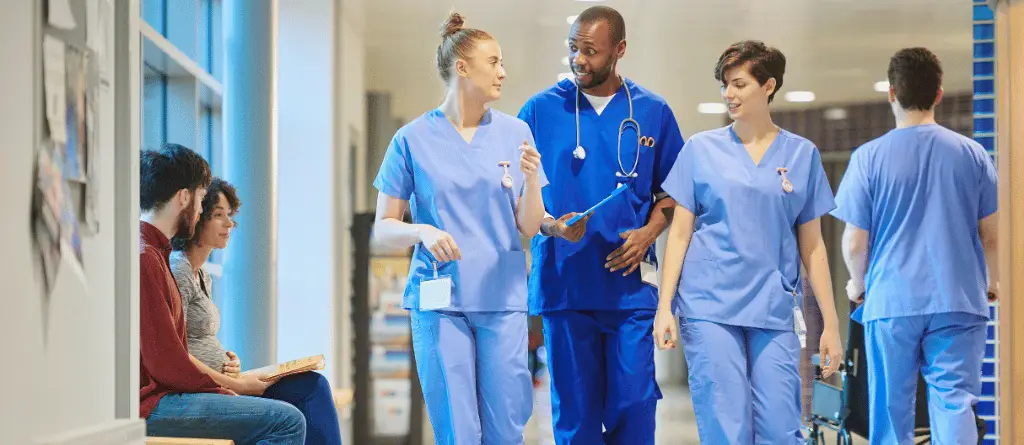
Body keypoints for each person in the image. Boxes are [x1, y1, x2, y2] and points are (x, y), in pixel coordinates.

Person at [653, 40, 844, 445]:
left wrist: (830, 323)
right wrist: (664, 306)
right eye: (725, 84)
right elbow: (680, 234)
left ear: (768, 86)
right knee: (727, 426)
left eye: (739, 84)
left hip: (772, 309)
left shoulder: (801, 154)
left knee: (780, 427)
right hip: (709, 307)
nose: (729, 93)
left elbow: (813, 247)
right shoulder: (700, 150)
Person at [370, 12, 546, 445]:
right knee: (458, 429)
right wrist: (422, 233)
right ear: (462, 68)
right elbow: (383, 228)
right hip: (439, 300)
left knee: (506, 425)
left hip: (501, 299)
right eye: (494, 61)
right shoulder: (411, 139)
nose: (503, 72)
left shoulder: (516, 132)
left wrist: (530, 179)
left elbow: (529, 224)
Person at [517, 6, 684, 444]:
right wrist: (552, 226)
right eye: (573, 47)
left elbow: (673, 195)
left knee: (636, 401)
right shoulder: (539, 111)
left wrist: (650, 231)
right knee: (575, 414)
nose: (579, 59)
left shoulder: (653, 112)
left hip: (628, 288)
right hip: (565, 284)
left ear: (619, 50)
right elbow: (517, 198)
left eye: (590, 50)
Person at [832, 47, 999, 445]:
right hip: (957, 299)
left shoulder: (868, 157)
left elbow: (855, 241)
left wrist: (858, 285)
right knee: (955, 401)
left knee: (891, 407)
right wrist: (992, 283)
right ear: (939, 93)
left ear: (892, 93)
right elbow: (990, 234)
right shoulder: (972, 154)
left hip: (891, 303)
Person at [139, 143, 305, 445]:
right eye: (203, 200)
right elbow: (168, 361)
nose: (200, 211)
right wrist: (233, 386)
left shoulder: (155, 253)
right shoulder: (148, 258)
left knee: (302, 395)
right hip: (154, 405)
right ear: (184, 197)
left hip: (166, 396)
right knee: (287, 420)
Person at [169, 178, 343, 445]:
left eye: (229, 215)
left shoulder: (202, 275)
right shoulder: (179, 269)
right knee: (299, 407)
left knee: (313, 385)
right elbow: (176, 351)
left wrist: (229, 359)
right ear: (196, 219)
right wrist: (235, 384)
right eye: (218, 216)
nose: (229, 224)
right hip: (205, 392)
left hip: (224, 381)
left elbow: (197, 337)